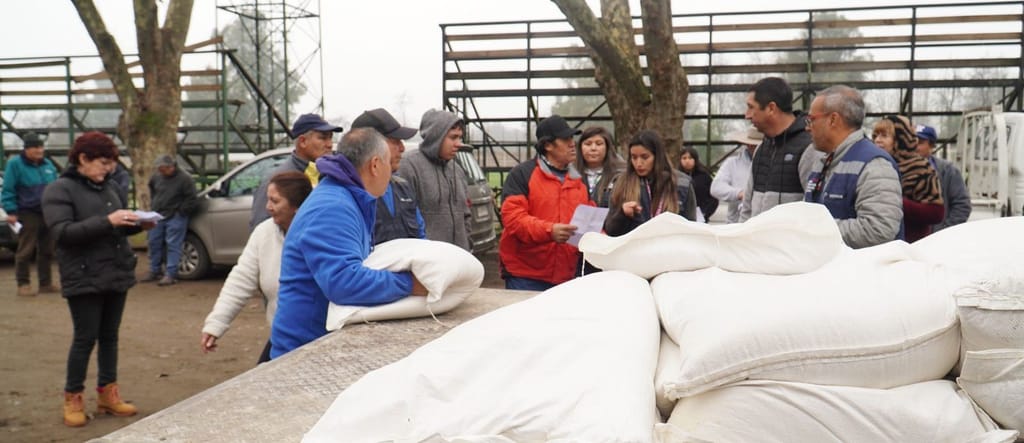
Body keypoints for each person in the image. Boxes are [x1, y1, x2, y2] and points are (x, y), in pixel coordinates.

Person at [270, 128, 427, 359]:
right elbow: (344, 282)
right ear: (375, 165)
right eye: (388, 164)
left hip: (321, 342)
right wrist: (412, 284)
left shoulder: (348, 198)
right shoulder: (333, 207)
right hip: (304, 352)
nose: (392, 173)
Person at [42, 131, 155, 427]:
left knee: (110, 337)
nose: (109, 169)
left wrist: (138, 223)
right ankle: (73, 396)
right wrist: (108, 221)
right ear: (83, 159)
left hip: (116, 272)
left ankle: (108, 394)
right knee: (84, 338)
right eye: (104, 162)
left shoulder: (110, 188)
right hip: (83, 276)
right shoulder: (59, 190)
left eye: (111, 163)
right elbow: (62, 233)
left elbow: (116, 229)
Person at [201, 171, 312, 364]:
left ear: (296, 206)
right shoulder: (264, 232)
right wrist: (216, 323)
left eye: (275, 201)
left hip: (316, 336)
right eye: (268, 200)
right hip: (282, 335)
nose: (268, 207)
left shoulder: (318, 234)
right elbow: (241, 279)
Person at [499, 115, 592, 291]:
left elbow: (590, 218)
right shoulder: (521, 175)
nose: (572, 144)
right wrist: (550, 231)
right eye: (566, 139)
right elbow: (513, 220)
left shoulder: (580, 180)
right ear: (548, 145)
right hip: (525, 276)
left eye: (572, 138)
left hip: (566, 276)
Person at [804, 85, 904, 248]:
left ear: (833, 120)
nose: (808, 127)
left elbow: (879, 229)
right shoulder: (823, 162)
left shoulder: (875, 165)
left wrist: (814, 230)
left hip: (864, 271)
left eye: (811, 119)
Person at [740, 77, 821, 222]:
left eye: (751, 107)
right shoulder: (761, 149)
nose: (747, 115)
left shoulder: (808, 149)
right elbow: (747, 207)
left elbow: (814, 208)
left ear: (771, 108)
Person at [250, 113, 341, 230]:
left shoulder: (330, 175)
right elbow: (261, 227)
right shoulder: (279, 179)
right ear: (303, 141)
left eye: (330, 138)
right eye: (323, 138)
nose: (329, 144)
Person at [397, 109, 471, 250]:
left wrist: (467, 245)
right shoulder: (408, 167)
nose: (459, 143)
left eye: (460, 137)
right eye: (453, 137)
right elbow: (403, 219)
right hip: (426, 263)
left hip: (459, 260)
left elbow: (466, 214)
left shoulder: (457, 170)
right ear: (436, 136)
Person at [350, 108, 427, 243]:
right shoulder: (348, 195)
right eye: (395, 141)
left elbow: (421, 237)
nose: (402, 148)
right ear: (370, 146)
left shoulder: (402, 187)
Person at [605, 129, 698, 236]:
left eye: (645, 157)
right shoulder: (621, 183)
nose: (638, 163)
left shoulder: (682, 184)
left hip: (670, 249)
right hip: (633, 249)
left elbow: (691, 228)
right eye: (634, 157)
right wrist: (621, 214)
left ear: (657, 156)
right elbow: (610, 231)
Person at [2, 132, 59, 297]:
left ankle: (45, 283)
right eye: (35, 147)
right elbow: (8, 189)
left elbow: (55, 187)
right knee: (26, 249)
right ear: (26, 149)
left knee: (47, 249)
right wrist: (11, 211)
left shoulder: (48, 165)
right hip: (27, 212)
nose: (39, 150)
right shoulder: (15, 165)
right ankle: (23, 283)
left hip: (47, 212)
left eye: (41, 147)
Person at [872, 115, 944, 242]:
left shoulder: (921, 168)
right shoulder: (872, 166)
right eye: (875, 136)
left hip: (911, 245)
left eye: (884, 135)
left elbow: (936, 213)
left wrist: (896, 202)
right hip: (877, 243)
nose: (877, 140)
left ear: (900, 138)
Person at [142, 154, 198, 286]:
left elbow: (191, 198)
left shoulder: (185, 179)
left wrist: (181, 212)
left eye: (163, 168)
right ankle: (154, 270)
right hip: (158, 214)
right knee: (153, 242)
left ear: (171, 167)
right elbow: (153, 189)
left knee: (173, 244)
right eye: (159, 169)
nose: (160, 171)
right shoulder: (156, 177)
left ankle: (170, 273)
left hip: (175, 216)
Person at [916, 124, 972, 231]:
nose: (915, 146)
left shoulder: (948, 171)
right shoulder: (900, 168)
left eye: (920, 143)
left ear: (932, 146)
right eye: (912, 141)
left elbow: (962, 205)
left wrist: (944, 231)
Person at [711, 127, 762, 223]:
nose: (752, 147)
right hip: (736, 223)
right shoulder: (732, 163)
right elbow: (716, 187)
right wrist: (740, 194)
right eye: (752, 144)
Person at [575, 126, 625, 208]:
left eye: (599, 144)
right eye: (588, 144)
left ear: (608, 147)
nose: (593, 148)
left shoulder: (621, 174)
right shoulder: (570, 173)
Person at [679, 146, 718, 222]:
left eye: (690, 158)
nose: (687, 161)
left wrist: (705, 213)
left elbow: (714, 198)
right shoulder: (676, 177)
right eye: (684, 158)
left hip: (701, 217)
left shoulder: (704, 177)